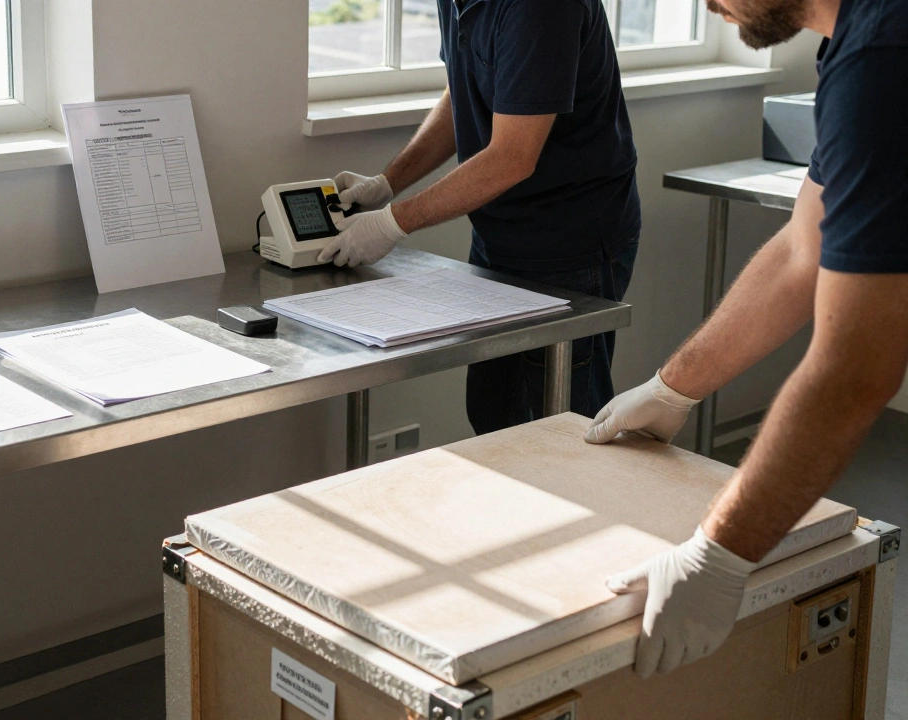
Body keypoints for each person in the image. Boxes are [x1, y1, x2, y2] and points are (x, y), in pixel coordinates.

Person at [583, 0, 908, 678]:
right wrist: (674, 385)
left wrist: (718, 555)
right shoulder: (859, 43)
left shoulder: (884, 55)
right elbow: (802, 250)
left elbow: (857, 368)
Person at [324, 0, 642, 435]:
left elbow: (512, 158)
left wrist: (392, 222)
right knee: (495, 415)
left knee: (564, 432)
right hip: (499, 234)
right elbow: (466, 89)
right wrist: (387, 182)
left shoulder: (542, 9)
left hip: (569, 242)